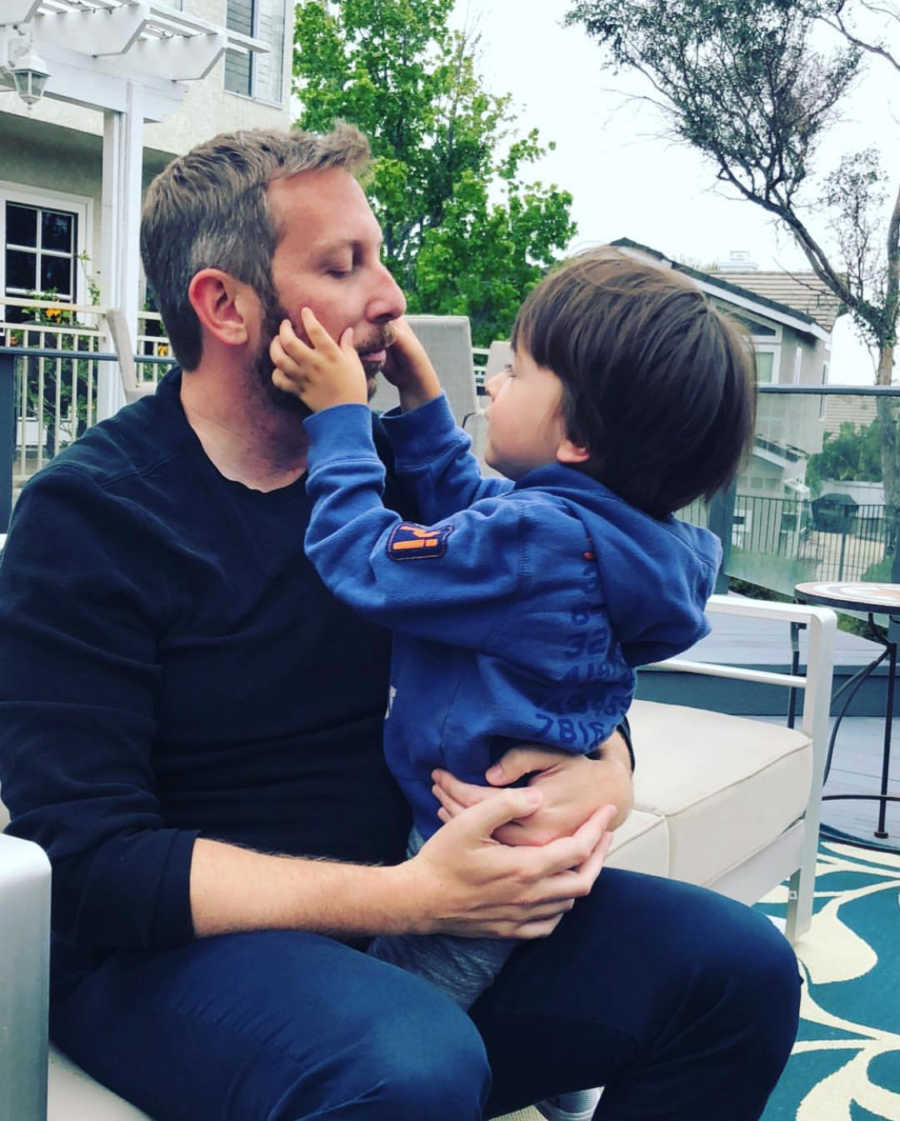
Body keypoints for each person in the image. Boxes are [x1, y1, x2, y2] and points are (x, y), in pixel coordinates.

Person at [0, 123, 801, 1121]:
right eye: (344, 266)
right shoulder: (93, 515)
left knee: (739, 971)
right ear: (226, 305)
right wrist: (413, 899)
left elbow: (554, 630)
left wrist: (603, 765)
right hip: (174, 957)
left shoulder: (397, 471)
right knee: (409, 1064)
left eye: (380, 257)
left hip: (407, 916)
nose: (389, 297)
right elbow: (85, 861)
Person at [266, 244, 752, 1013]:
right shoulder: (609, 534)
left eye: (517, 372)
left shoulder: (540, 540)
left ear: (578, 441)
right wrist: (424, 400)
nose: (494, 386)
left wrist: (340, 423)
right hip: (522, 829)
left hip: (472, 847)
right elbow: (471, 519)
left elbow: (367, 558)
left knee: (398, 1013)